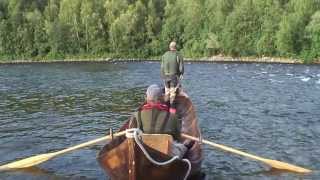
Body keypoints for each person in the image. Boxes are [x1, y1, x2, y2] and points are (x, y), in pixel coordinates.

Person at [129, 84, 187, 158]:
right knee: (183, 147)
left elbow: (131, 135)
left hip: (143, 151)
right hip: (166, 154)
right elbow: (178, 138)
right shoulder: (173, 117)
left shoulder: (136, 115)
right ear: (162, 98)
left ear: (146, 98)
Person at [160, 41, 184, 106]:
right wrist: (181, 74)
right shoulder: (178, 54)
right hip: (173, 76)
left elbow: (162, 67)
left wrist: (162, 76)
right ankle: (172, 109)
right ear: (175, 47)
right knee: (173, 94)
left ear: (169, 47)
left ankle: (166, 107)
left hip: (165, 76)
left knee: (167, 92)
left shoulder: (164, 55)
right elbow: (181, 66)